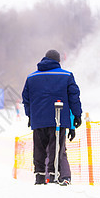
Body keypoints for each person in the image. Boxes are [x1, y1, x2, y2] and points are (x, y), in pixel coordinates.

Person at [22, 49, 82, 185]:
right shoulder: (67, 76)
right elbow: (74, 97)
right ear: (58, 61)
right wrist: (77, 115)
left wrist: (30, 115)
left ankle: (39, 177)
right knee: (56, 147)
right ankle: (54, 176)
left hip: (38, 120)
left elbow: (26, 99)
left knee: (39, 148)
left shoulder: (31, 77)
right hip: (58, 119)